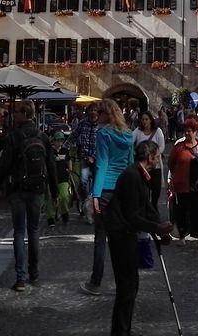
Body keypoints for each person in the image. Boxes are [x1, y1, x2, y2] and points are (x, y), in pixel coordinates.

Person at [104, 141, 173, 336]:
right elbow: (133, 215)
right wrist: (156, 227)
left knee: (131, 285)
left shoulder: (141, 175)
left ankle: (123, 329)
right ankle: (120, 331)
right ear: (150, 156)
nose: (159, 159)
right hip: (121, 234)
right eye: (157, 155)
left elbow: (147, 207)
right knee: (127, 286)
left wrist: (159, 230)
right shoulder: (132, 176)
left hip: (126, 234)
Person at [0, 100, 55, 292]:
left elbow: (4, 164)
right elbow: (51, 165)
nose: (15, 116)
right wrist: (53, 189)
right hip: (37, 189)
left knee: (19, 232)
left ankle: (20, 277)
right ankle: (34, 272)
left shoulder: (14, 137)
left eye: (17, 113)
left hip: (18, 189)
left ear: (24, 114)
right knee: (34, 231)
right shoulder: (43, 136)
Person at [82, 98, 134, 296]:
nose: (97, 117)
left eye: (100, 113)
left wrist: (95, 194)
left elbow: (102, 164)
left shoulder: (103, 133)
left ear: (107, 114)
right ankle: (124, 280)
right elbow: (131, 163)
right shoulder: (128, 135)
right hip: (123, 190)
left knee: (101, 237)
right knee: (121, 238)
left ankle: (95, 282)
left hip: (105, 190)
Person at [168, 118, 198, 248]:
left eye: (189, 131)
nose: (187, 133)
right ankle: (182, 236)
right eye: (185, 131)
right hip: (182, 184)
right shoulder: (179, 147)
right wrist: (172, 178)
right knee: (181, 211)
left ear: (195, 131)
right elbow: (171, 163)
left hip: (197, 184)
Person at [132, 112, 166, 209]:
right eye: (143, 119)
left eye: (146, 119)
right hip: (143, 167)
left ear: (151, 120)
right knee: (144, 190)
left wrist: (153, 155)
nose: (144, 121)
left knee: (156, 190)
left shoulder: (157, 131)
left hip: (155, 166)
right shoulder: (138, 131)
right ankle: (146, 210)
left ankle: (153, 208)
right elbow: (130, 140)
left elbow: (162, 146)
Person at [47, 130, 74, 227]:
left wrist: (70, 168)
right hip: (51, 178)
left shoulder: (65, 151)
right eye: (57, 140)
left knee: (64, 196)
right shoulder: (50, 151)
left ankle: (64, 213)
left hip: (63, 178)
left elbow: (69, 160)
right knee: (50, 199)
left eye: (61, 141)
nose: (59, 143)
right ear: (53, 141)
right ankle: (51, 218)